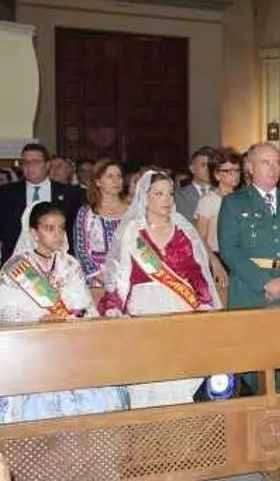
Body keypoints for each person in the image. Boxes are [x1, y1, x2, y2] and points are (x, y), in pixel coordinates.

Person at [100, 171, 221, 408]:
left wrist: (205, 303)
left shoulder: (184, 230)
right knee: (149, 374)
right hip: (144, 309)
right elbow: (119, 277)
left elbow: (196, 273)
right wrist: (114, 308)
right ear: (144, 197)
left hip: (181, 307)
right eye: (158, 194)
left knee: (181, 374)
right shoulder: (132, 232)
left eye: (170, 193)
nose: (166, 199)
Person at [0, 202, 129, 424]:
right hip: (32, 347)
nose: (57, 234)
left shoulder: (70, 264)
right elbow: (6, 311)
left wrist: (69, 315)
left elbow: (85, 306)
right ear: (34, 233)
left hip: (70, 342)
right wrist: (39, 319)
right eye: (49, 228)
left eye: (61, 228)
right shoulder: (16, 267)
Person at [219, 142, 280, 392]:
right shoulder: (234, 203)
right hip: (251, 292)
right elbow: (230, 250)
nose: (273, 168)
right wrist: (264, 282)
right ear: (249, 167)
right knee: (251, 364)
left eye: (277, 163)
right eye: (265, 162)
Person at [0, 144, 83, 264]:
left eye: (35, 162)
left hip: (59, 262)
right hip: (17, 263)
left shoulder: (71, 194)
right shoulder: (6, 193)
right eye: (25, 162)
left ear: (47, 165)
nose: (30, 166)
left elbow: (74, 231)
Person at [73, 159, 128, 295]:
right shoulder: (87, 212)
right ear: (98, 182)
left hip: (128, 276)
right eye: (110, 176)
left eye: (119, 176)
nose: (116, 181)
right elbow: (81, 250)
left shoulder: (132, 211)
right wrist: (100, 275)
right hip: (98, 282)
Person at [195, 147, 242, 290]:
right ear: (216, 175)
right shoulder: (208, 201)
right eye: (228, 171)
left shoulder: (244, 199)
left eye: (237, 170)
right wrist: (214, 262)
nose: (234, 175)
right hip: (217, 259)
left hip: (241, 258)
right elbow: (200, 238)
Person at [175, 146, 215, 223]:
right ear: (192, 168)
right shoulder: (178, 196)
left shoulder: (221, 194)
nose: (208, 169)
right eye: (203, 165)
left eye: (211, 166)